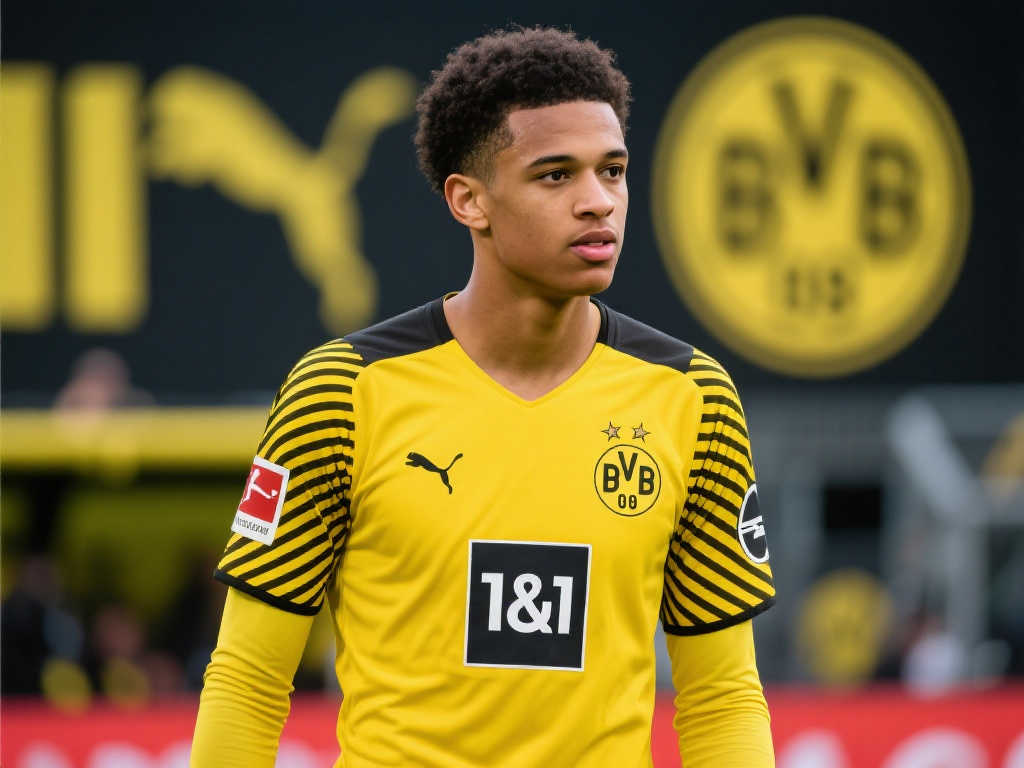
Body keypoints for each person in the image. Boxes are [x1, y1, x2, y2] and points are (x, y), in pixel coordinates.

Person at [191, 25, 776, 768]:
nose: (598, 202)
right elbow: (248, 682)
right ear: (469, 200)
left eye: (613, 170)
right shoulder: (341, 393)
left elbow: (722, 698)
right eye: (555, 176)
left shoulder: (691, 397)